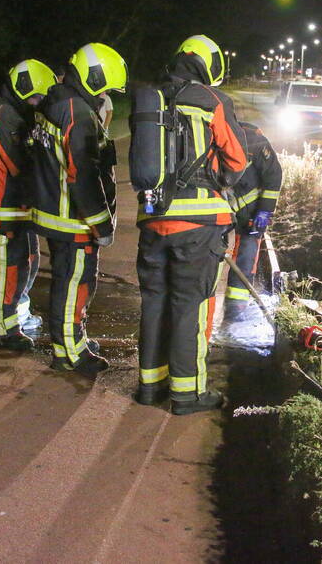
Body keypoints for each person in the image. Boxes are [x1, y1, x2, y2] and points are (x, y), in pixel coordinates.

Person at [133, 35, 247, 414]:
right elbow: (237, 159)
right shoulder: (211, 100)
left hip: (152, 219)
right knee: (190, 306)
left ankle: (150, 387)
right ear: (208, 64)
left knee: (154, 301)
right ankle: (187, 393)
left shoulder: (152, 97)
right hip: (197, 225)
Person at [32, 43, 126, 376]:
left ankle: (71, 341)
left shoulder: (57, 102)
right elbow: (83, 174)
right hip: (73, 219)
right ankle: (70, 352)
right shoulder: (79, 114)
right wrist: (102, 225)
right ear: (93, 77)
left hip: (56, 211)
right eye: (104, 89)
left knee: (65, 281)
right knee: (76, 283)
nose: (105, 97)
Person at [0, 59, 56, 350]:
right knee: (7, 268)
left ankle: (16, 317)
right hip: (1, 206)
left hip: (19, 205)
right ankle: (4, 330)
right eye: (37, 96)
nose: (39, 102)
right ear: (24, 89)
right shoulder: (3, 115)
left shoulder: (18, 113)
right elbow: (15, 162)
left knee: (27, 262)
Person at [223, 121, 283, 321]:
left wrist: (264, 212)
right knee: (207, 255)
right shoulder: (209, 137)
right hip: (219, 210)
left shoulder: (254, 141)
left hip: (251, 213)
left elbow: (273, 177)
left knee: (246, 258)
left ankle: (235, 309)